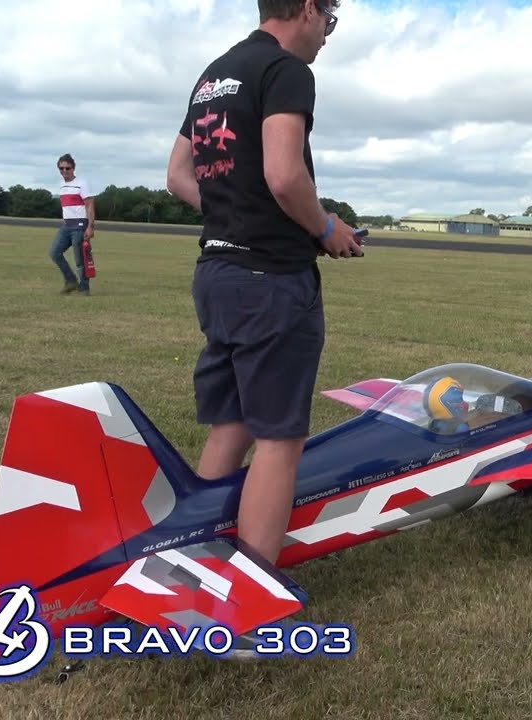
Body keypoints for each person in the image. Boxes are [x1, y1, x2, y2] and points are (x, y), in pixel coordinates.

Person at [164, 0, 362, 572]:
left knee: (233, 424)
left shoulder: (212, 77)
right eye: (329, 18)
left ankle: (184, 562)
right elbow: (282, 172)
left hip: (217, 273)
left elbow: (178, 175)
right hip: (270, 279)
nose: (327, 33)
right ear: (307, 8)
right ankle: (249, 592)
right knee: (279, 440)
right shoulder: (286, 71)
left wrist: (236, 213)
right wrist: (325, 228)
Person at [48, 153, 96, 295]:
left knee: (80, 259)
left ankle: (84, 288)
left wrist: (90, 226)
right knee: (54, 253)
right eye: (61, 168)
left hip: (80, 225)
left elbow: (90, 205)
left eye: (67, 168)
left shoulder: (82, 183)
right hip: (67, 226)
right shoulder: (62, 185)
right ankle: (71, 280)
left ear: (73, 168)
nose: (64, 171)